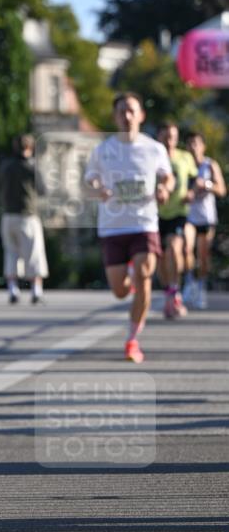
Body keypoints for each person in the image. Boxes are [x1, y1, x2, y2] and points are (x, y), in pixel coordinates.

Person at [84, 92, 174, 364]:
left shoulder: (154, 148)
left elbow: (168, 177)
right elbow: (89, 180)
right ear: (115, 116)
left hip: (144, 223)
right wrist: (97, 188)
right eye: (122, 111)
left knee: (145, 274)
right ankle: (131, 279)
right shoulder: (102, 150)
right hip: (112, 226)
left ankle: (132, 340)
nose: (127, 116)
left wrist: (164, 189)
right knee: (120, 291)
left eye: (132, 110)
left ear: (141, 115)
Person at [0, 133, 48, 304]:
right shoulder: (31, 167)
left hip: (8, 215)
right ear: (30, 147)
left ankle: (13, 289)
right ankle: (36, 290)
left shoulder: (5, 166)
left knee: (11, 253)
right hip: (27, 215)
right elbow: (43, 190)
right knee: (33, 253)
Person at [156, 122, 198, 318]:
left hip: (179, 212)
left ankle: (175, 292)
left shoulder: (184, 157)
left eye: (172, 137)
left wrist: (191, 192)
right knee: (160, 257)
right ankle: (167, 293)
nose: (169, 141)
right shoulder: (152, 156)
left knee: (174, 248)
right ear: (159, 138)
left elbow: (194, 179)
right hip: (155, 213)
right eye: (165, 137)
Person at [183, 132, 226, 309]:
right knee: (186, 249)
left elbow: (222, 190)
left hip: (206, 217)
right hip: (187, 216)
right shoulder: (183, 165)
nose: (193, 147)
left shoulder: (210, 165)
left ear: (203, 146)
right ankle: (189, 282)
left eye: (196, 144)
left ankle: (200, 287)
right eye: (190, 144)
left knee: (203, 256)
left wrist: (206, 184)